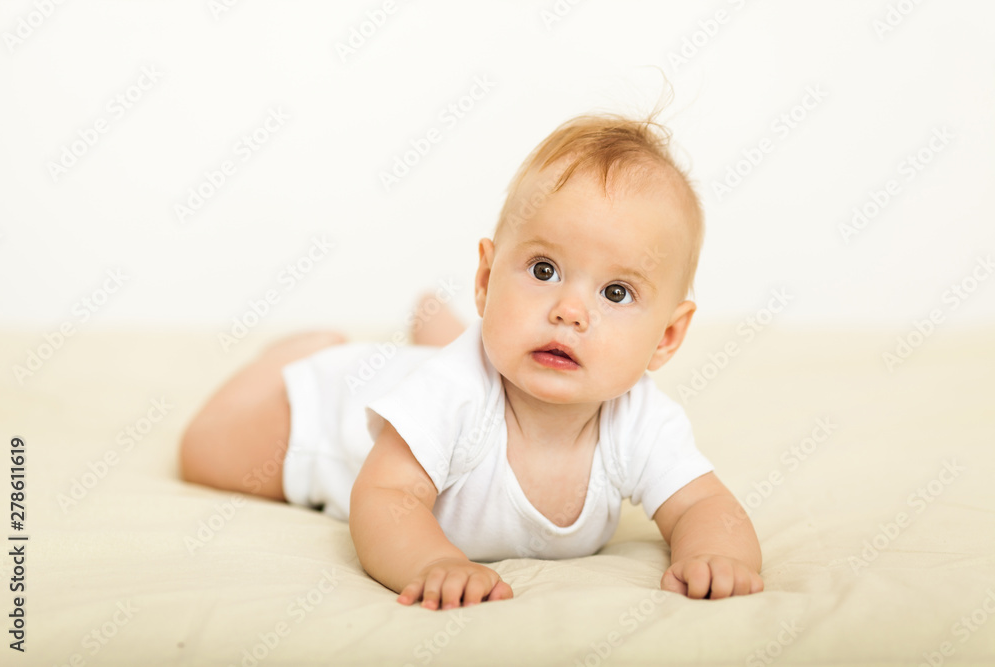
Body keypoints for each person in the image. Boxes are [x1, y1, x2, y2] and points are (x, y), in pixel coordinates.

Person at [179, 110, 763, 611]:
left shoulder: (639, 420)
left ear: (666, 337)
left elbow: (703, 504)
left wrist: (717, 554)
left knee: (478, 351)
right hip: (331, 406)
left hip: (447, 366)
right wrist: (432, 561)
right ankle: (300, 353)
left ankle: (438, 329)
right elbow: (384, 498)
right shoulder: (450, 394)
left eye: (616, 293)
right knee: (203, 453)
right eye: (543, 271)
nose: (569, 311)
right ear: (485, 278)